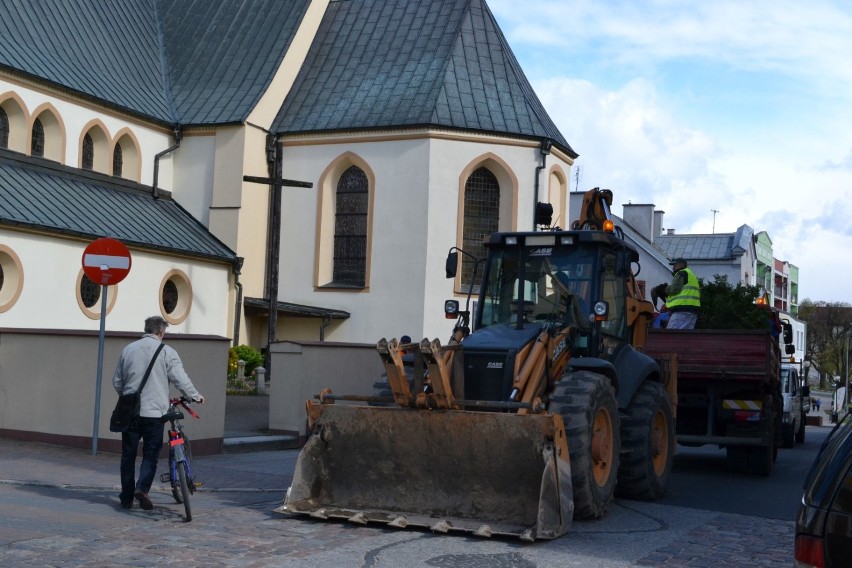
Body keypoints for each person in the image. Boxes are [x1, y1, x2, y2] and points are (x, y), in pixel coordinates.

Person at [113, 316, 204, 510]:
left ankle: (126, 497)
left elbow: (117, 381)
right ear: (161, 332)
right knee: (151, 453)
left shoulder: (128, 350)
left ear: (146, 329)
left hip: (130, 413)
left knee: (128, 455)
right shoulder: (167, 352)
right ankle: (143, 489)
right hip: (154, 413)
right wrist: (195, 395)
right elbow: (180, 379)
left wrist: (129, 398)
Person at [665, 258, 701, 329]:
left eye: (675, 265)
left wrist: (665, 288)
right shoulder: (691, 274)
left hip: (681, 311)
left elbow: (674, 289)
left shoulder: (681, 273)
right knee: (685, 338)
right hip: (692, 311)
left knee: (671, 336)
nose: (673, 267)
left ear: (681, 265)